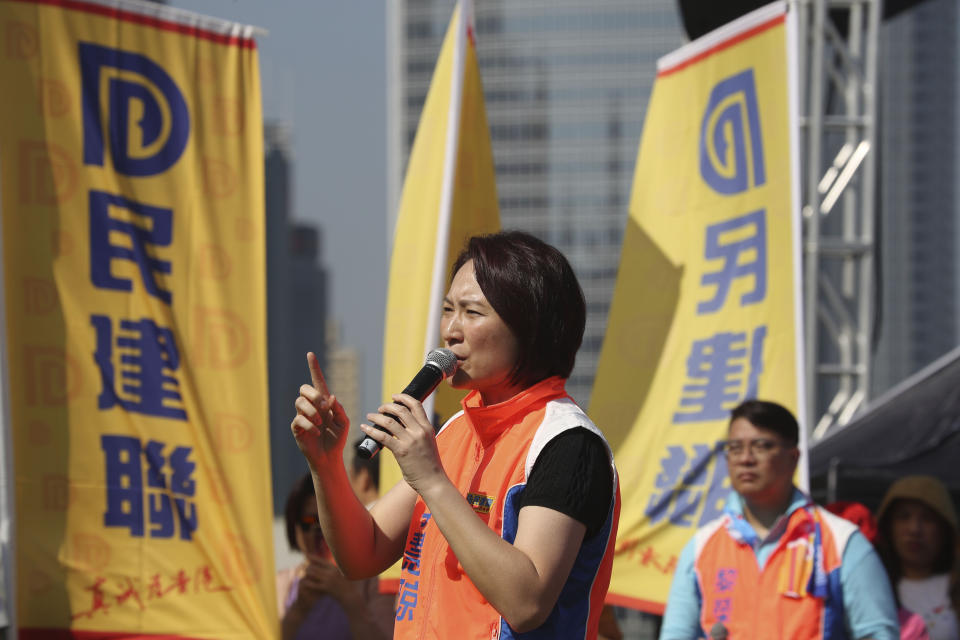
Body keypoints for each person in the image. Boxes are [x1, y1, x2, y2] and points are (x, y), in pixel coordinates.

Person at [291, 230, 620, 639]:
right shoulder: (456, 433)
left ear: (530, 327)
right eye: (448, 310)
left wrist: (431, 480)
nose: (451, 330)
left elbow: (527, 602)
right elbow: (362, 553)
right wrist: (325, 464)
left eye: (472, 312)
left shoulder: (567, 443)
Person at [659, 399, 900, 640]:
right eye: (735, 447)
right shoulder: (701, 547)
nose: (745, 458)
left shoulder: (842, 542)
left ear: (793, 457)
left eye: (761, 446)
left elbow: (878, 633)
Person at [276, 472, 394, 640]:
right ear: (293, 527)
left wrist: (349, 599)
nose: (319, 531)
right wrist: (297, 611)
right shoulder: (281, 584)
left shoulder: (372, 582)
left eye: (327, 521)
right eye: (309, 522)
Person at [874, 475, 960, 640]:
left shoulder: (955, 587)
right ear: (888, 526)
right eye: (904, 516)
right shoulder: (873, 588)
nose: (914, 529)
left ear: (945, 527)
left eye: (927, 518)